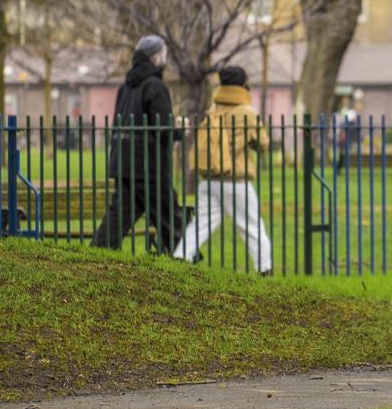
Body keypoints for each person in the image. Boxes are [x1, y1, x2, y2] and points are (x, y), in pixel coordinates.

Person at [174, 66, 272, 275]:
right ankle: (265, 269)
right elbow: (264, 144)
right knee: (252, 227)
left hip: (208, 180)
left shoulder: (213, 109)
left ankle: (180, 257)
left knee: (201, 224)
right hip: (235, 181)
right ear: (243, 85)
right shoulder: (247, 112)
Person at [92, 35, 184, 254]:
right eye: (164, 53)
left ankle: (98, 251)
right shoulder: (155, 87)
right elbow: (163, 129)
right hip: (149, 167)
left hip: (124, 163)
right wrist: (180, 130)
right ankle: (187, 255)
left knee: (119, 215)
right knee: (170, 217)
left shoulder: (125, 87)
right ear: (155, 57)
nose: (166, 58)